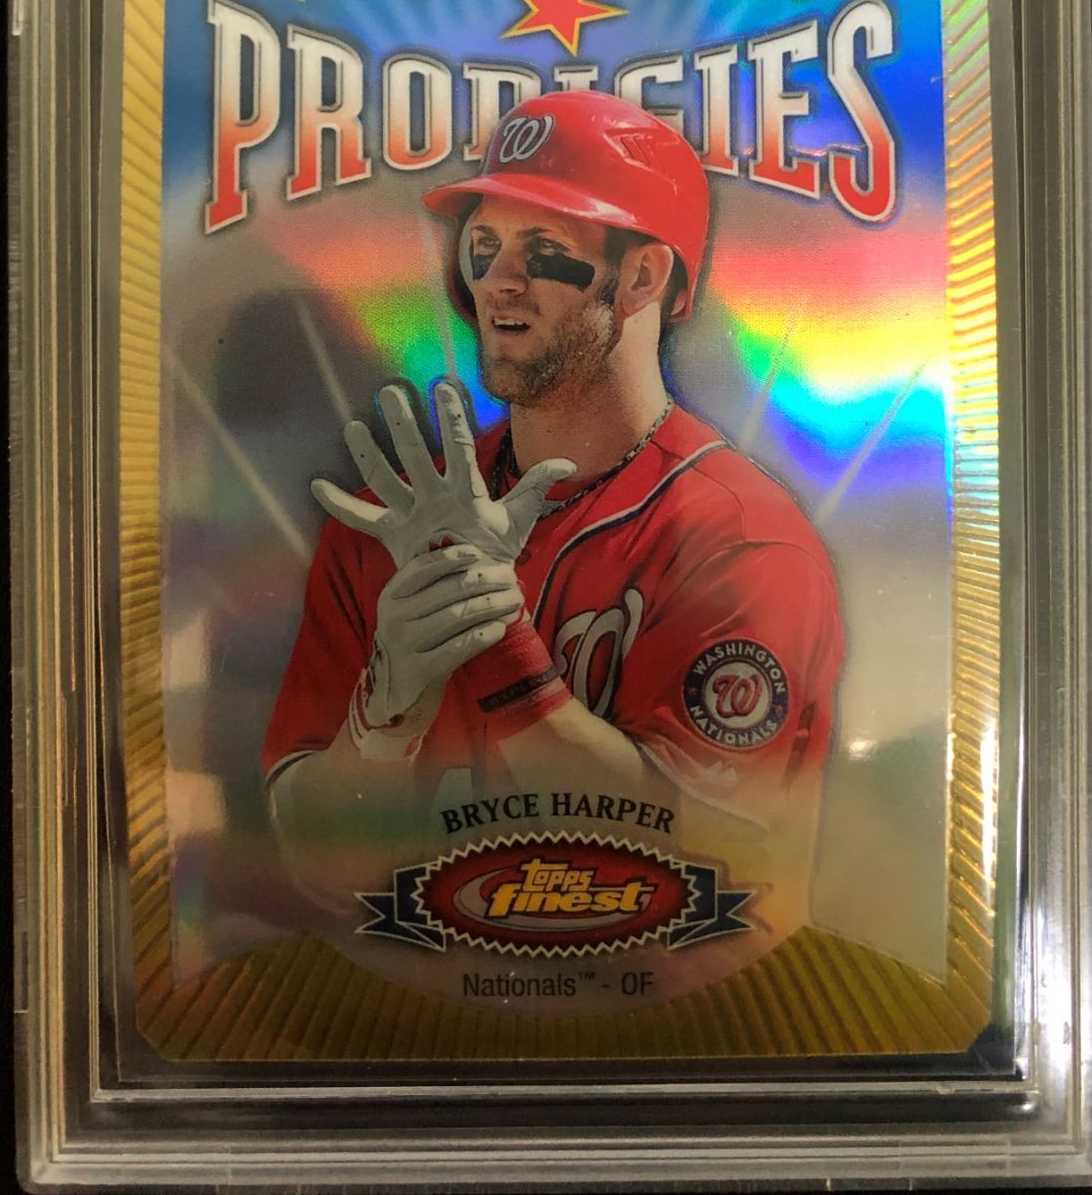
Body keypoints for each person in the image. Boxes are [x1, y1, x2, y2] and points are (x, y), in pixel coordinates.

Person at [262, 90, 843, 909]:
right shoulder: (392, 528)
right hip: (418, 989)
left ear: (641, 277)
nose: (497, 282)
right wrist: (384, 716)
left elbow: (714, 864)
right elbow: (307, 858)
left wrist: (497, 648)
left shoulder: (741, 545)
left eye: (543, 250)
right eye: (484, 246)